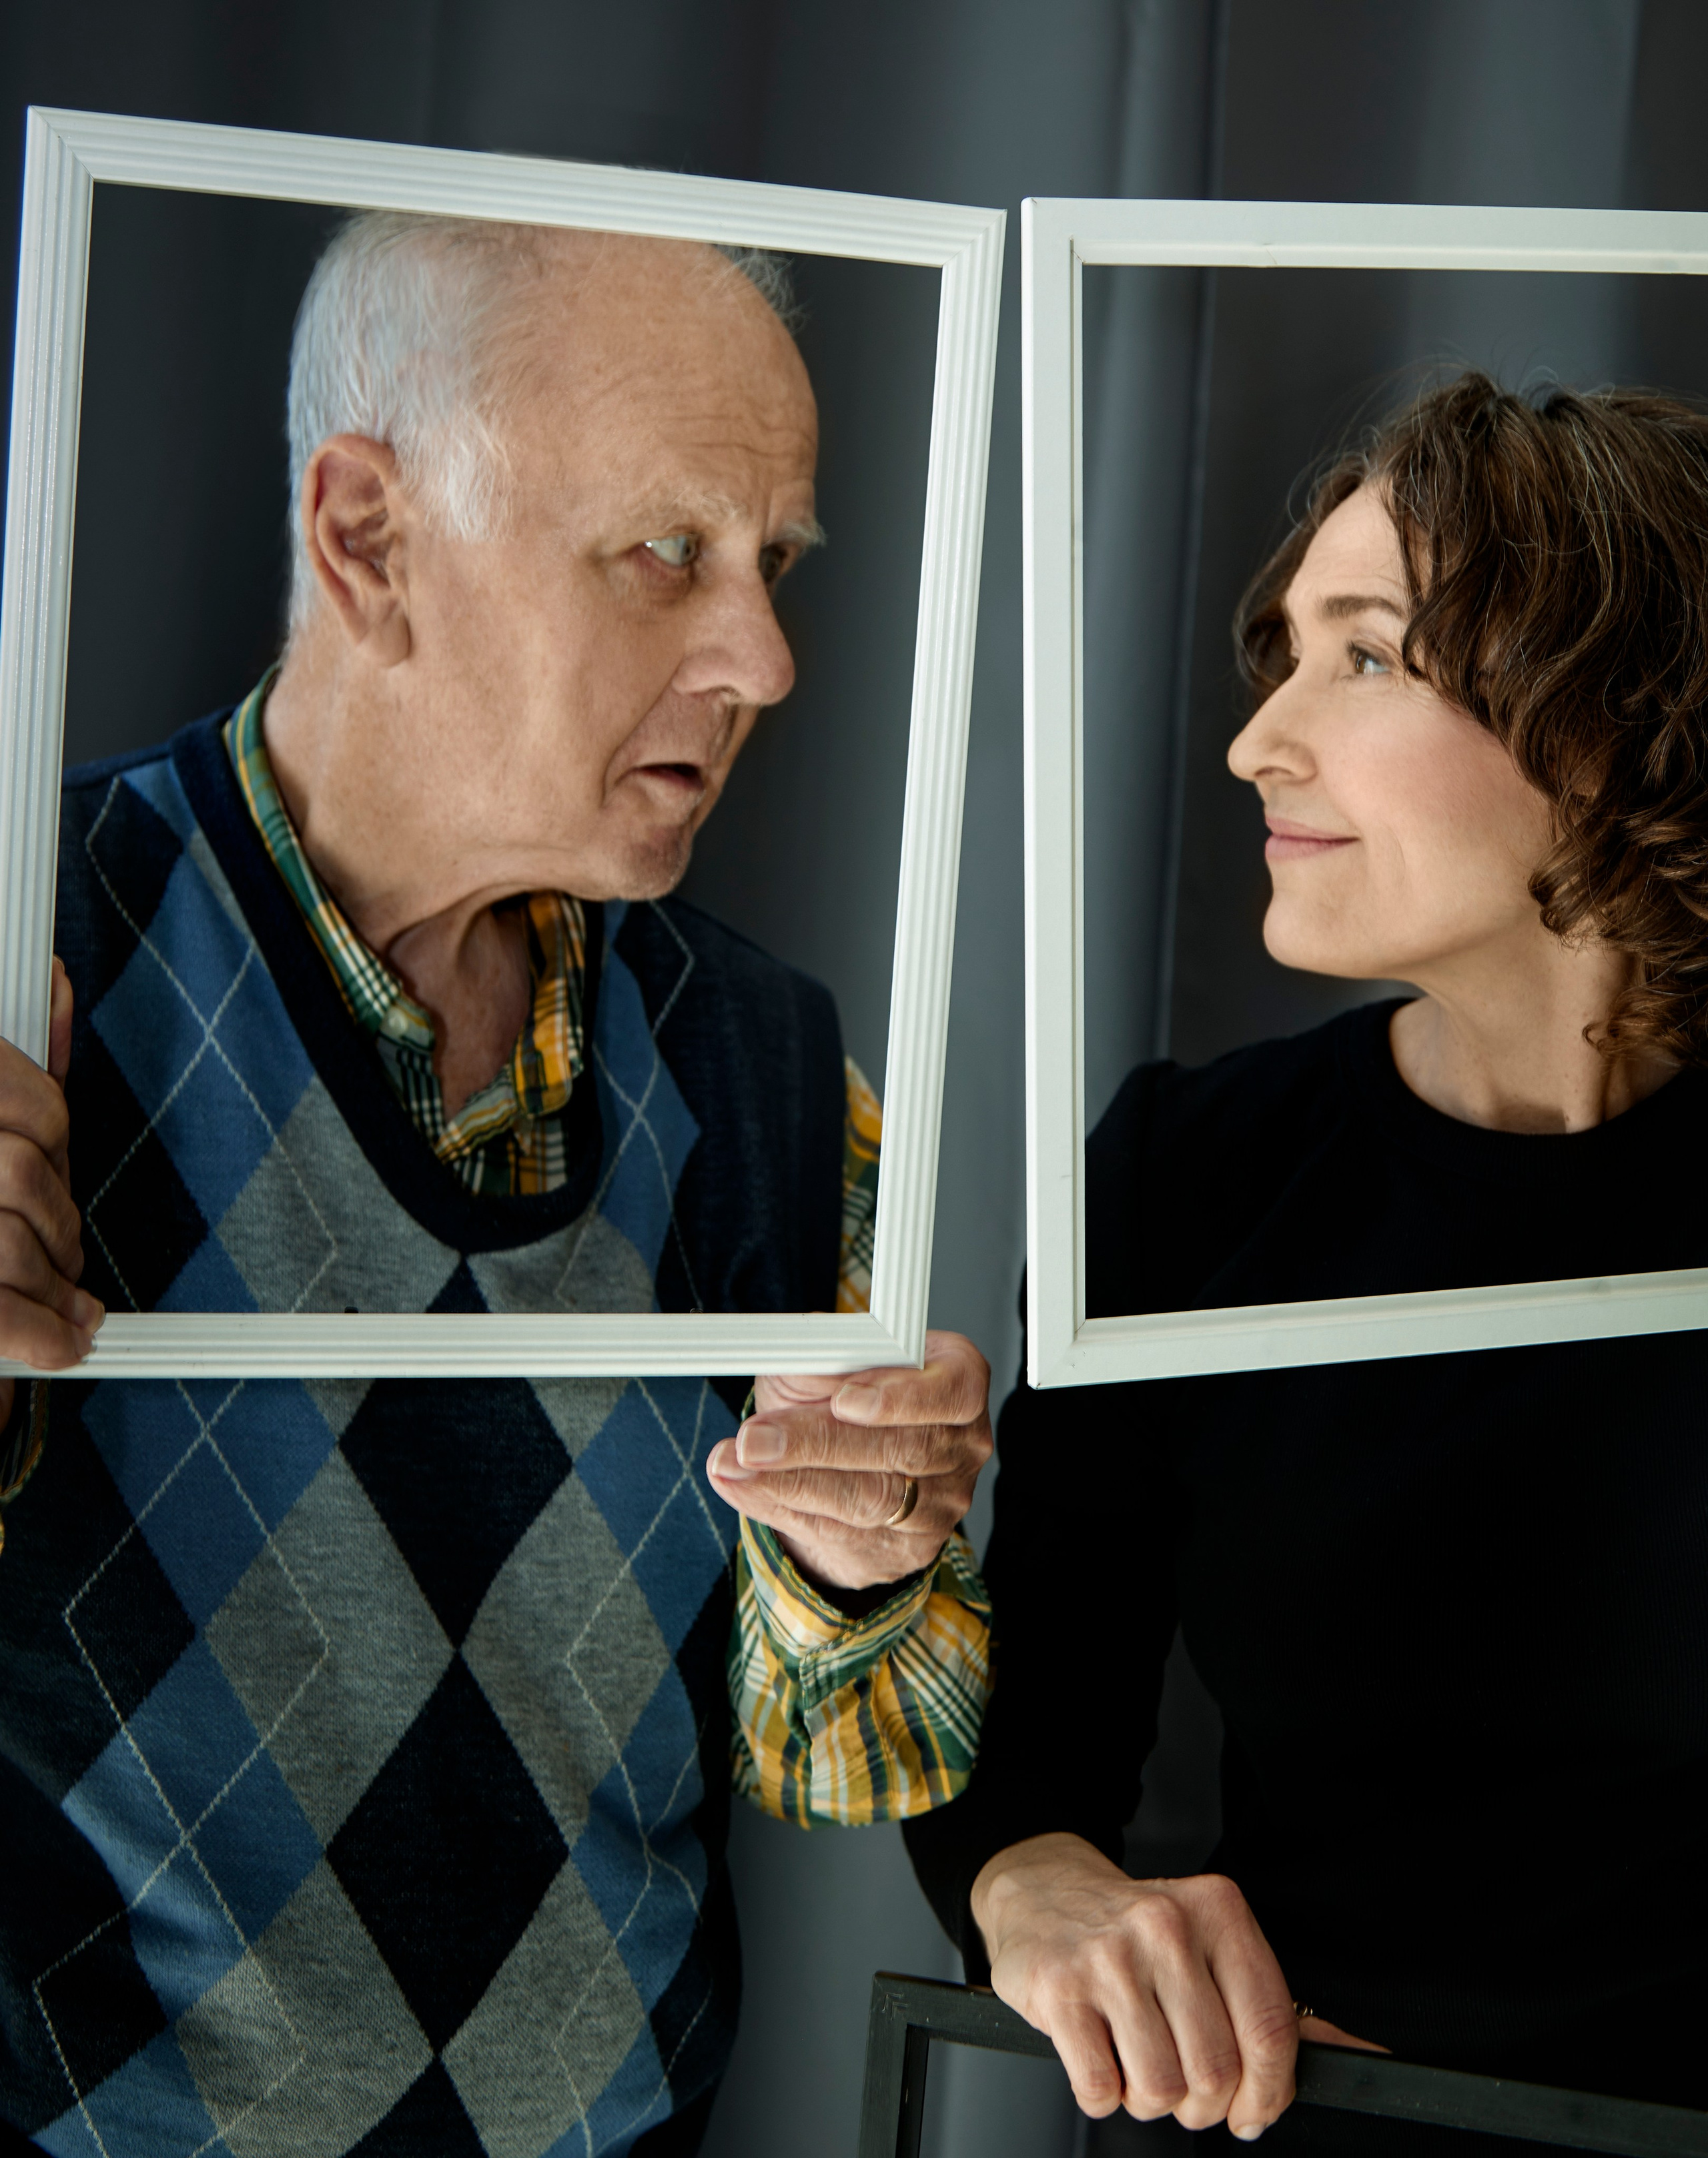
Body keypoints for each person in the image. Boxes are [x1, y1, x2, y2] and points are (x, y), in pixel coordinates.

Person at [0, 213, 994, 2158]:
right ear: (368, 541)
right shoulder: (27, 959)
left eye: (775, 563)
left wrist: (861, 1558)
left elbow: (852, 1763)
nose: (767, 661)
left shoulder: (771, 1067)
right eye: (668, 552)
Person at [904, 374, 1708, 2150]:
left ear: (1615, 715)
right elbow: (1029, 1754)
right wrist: (1037, 1884)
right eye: (1286, 655)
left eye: (1363, 657)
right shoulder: (1186, 1182)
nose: (1258, 742)